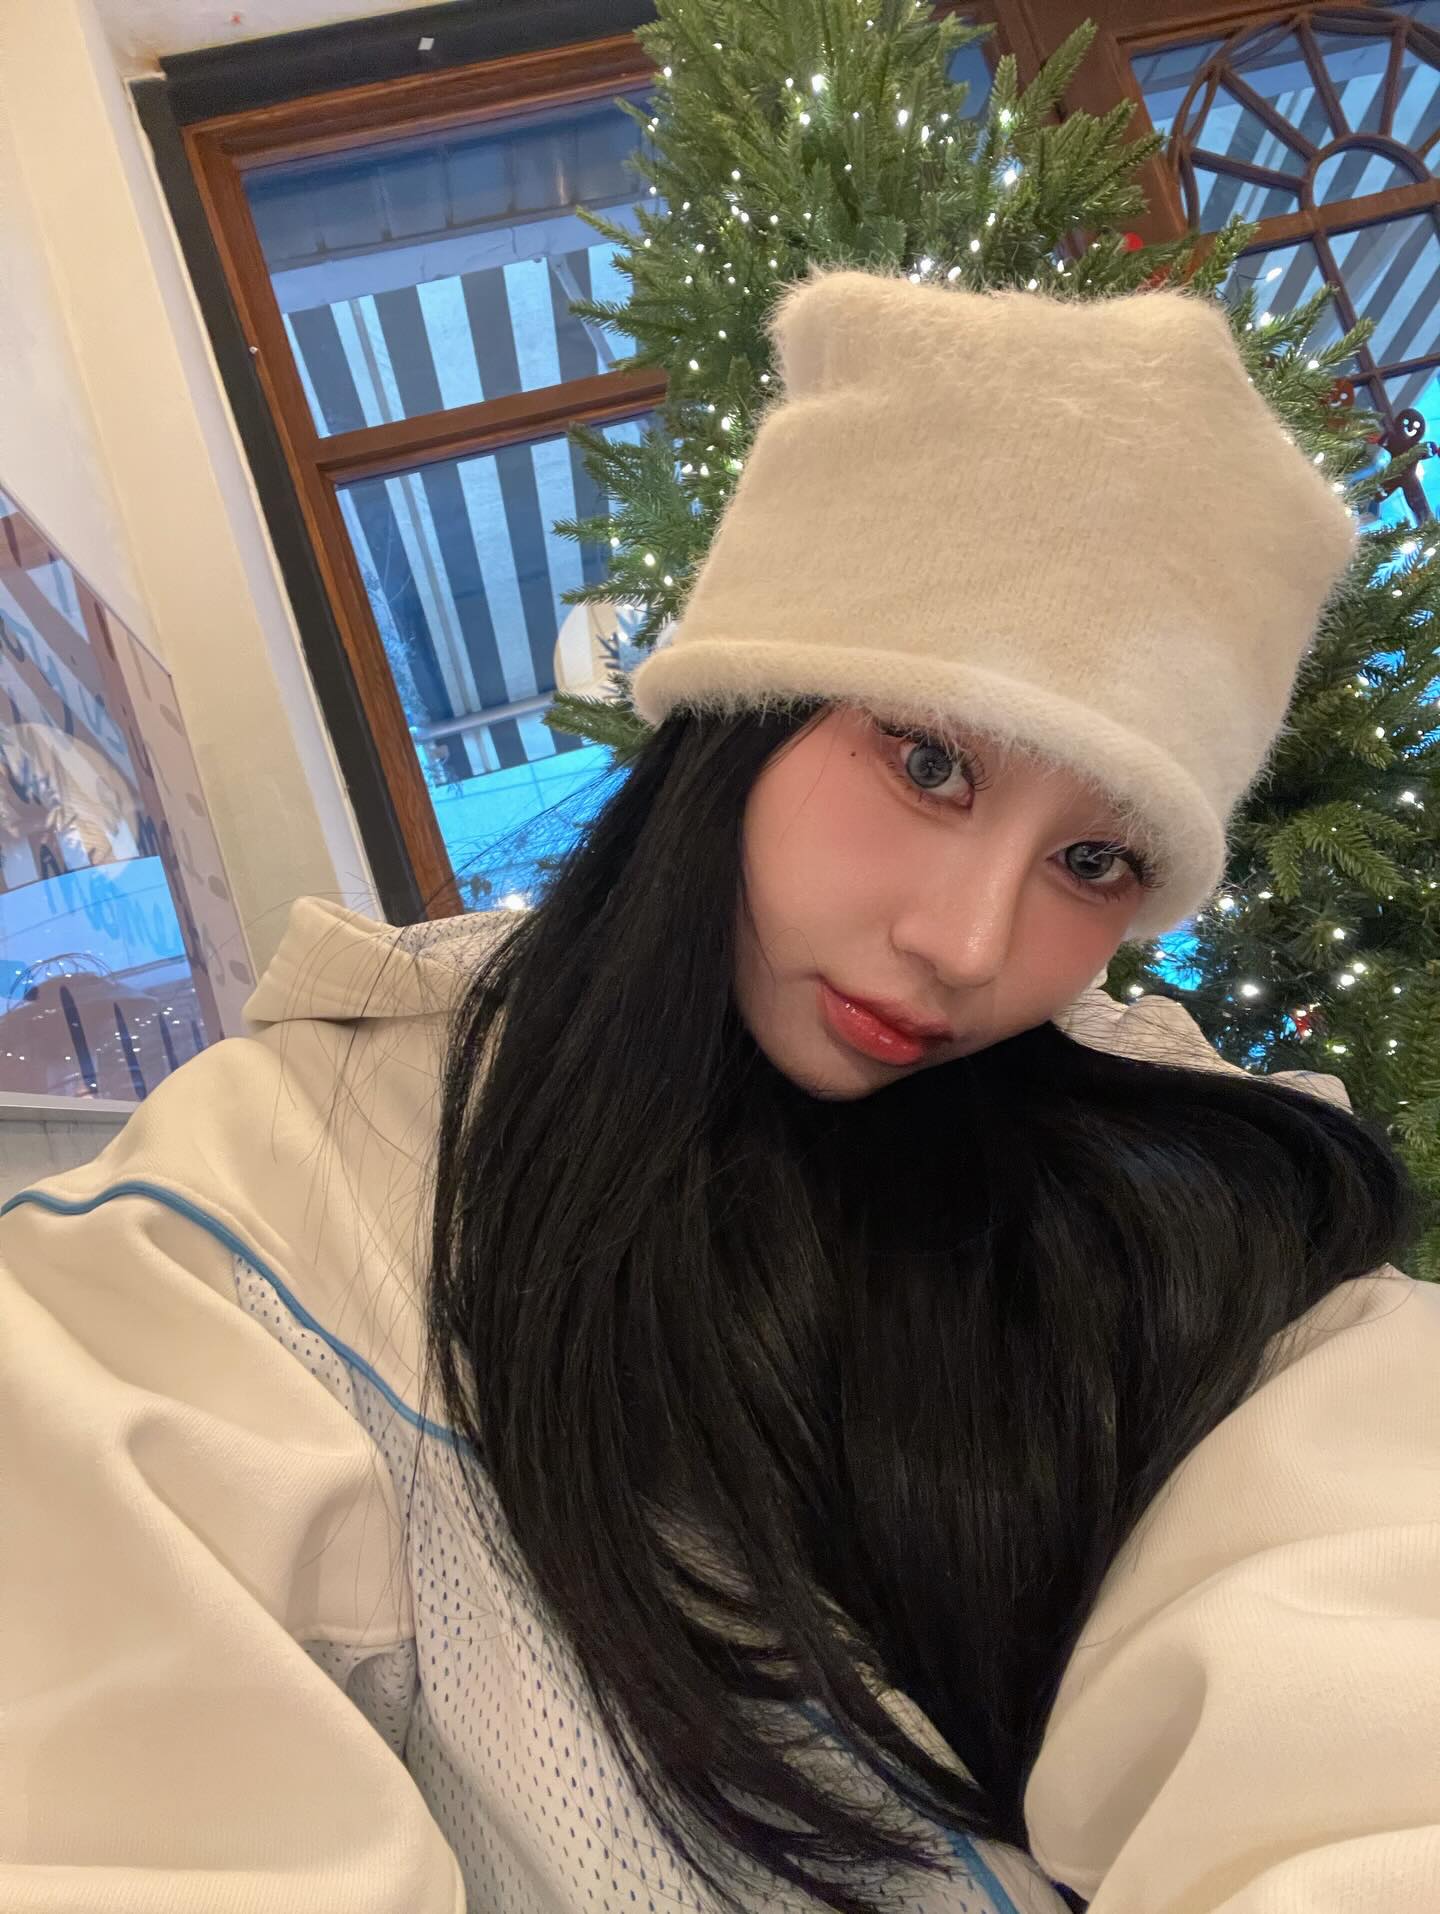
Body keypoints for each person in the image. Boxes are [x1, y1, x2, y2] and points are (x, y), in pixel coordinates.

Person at [2, 266, 1436, 1914]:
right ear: (742, 714)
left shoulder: (1209, 1222)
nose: (967, 944)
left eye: (1095, 861)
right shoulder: (270, 1196)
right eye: (931, 760)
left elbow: (1361, 1682)